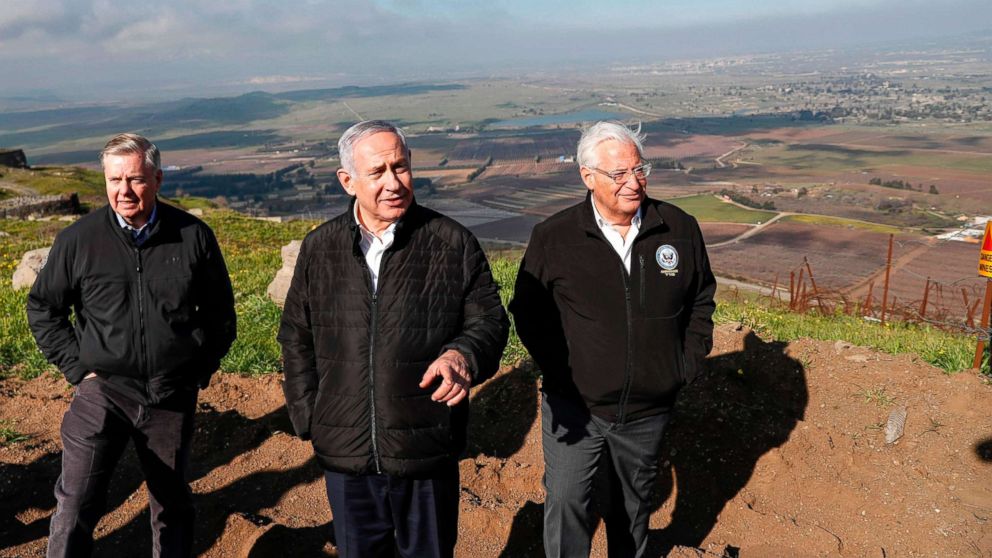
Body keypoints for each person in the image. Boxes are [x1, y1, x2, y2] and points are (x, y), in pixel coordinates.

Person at [278, 120, 509, 558]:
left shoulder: (452, 243)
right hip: (346, 453)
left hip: (425, 446)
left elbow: (490, 323)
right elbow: (295, 335)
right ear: (348, 181)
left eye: (400, 167)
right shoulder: (320, 249)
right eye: (377, 172)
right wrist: (311, 415)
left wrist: (463, 355)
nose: (393, 182)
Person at [509, 121, 716, 557]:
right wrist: (563, 375)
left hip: (648, 409)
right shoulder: (555, 237)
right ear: (588, 177)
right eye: (619, 174)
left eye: (640, 170)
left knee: (633, 509)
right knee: (567, 505)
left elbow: (701, 298)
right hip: (575, 408)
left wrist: (684, 365)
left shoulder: (678, 228)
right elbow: (529, 312)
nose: (633, 182)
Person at [27, 133, 237, 558]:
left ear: (157, 179)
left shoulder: (193, 236)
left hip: (170, 393)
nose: (124, 191)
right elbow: (43, 308)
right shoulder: (78, 240)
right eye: (114, 179)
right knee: (76, 501)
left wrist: (197, 368)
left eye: (136, 180)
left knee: (171, 504)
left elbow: (220, 314)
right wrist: (77, 368)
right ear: (104, 180)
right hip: (102, 390)